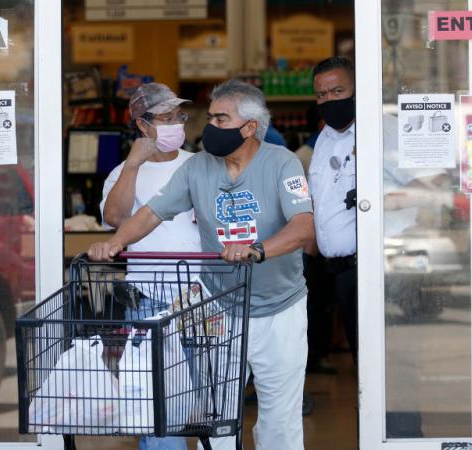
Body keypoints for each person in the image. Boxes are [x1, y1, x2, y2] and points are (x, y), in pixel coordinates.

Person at [89, 79, 315, 450]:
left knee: (280, 418)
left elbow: (303, 226)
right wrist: (114, 243)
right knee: (218, 415)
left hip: (281, 309)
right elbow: (151, 213)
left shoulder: (282, 162)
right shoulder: (198, 169)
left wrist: (256, 249)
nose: (208, 126)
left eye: (220, 119)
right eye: (209, 117)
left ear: (249, 127)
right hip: (221, 307)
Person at [100, 82, 201, 450]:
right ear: (143, 126)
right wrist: (133, 163)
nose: (176, 124)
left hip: (202, 298)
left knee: (208, 400)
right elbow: (115, 217)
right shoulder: (123, 173)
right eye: (166, 118)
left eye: (179, 116)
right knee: (159, 403)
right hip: (150, 300)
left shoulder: (200, 165)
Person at [307, 56, 359, 364]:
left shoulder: (382, 132)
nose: (328, 100)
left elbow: (427, 187)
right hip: (334, 271)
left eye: (337, 91)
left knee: (380, 362)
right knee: (358, 356)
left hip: (368, 269)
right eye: (321, 95)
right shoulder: (324, 141)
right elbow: (320, 204)